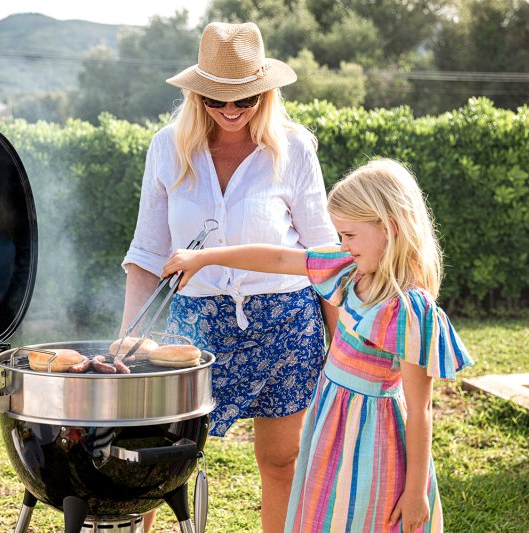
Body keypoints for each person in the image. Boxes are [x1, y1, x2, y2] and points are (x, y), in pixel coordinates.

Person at [161, 158, 474, 533]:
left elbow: (421, 409)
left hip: (376, 441)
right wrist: (205, 256)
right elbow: (278, 258)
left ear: (389, 228)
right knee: (326, 515)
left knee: (366, 517)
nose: (343, 244)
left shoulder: (409, 309)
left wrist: (415, 492)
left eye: (350, 235)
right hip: (330, 427)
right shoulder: (348, 270)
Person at [120, 21, 339, 532]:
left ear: (267, 92)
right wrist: (127, 342)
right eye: (219, 100)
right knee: (156, 456)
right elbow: (147, 253)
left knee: (282, 462)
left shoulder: (295, 148)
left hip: (285, 324)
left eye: (247, 99)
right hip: (195, 325)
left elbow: (323, 253)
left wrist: (341, 340)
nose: (233, 110)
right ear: (198, 95)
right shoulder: (167, 148)